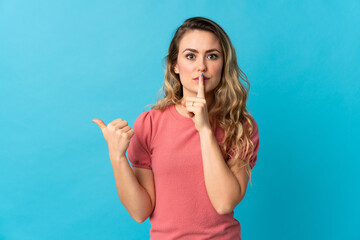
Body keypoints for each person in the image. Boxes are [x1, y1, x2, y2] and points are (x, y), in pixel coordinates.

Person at [92, 16, 260, 240]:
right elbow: (140, 212)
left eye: (212, 56)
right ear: (175, 66)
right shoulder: (150, 123)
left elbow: (224, 202)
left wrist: (205, 129)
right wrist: (117, 157)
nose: (201, 66)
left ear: (223, 64)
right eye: (191, 56)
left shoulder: (241, 125)